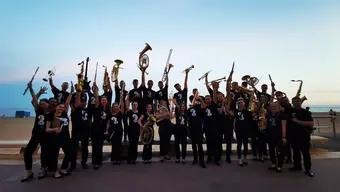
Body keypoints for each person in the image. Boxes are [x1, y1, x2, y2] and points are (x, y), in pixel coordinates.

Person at [21, 84, 50, 182]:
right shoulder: (38, 111)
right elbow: (34, 100)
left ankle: (43, 169)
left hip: (46, 136)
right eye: (41, 103)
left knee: (44, 154)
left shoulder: (51, 113)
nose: (41, 105)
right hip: (36, 135)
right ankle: (28, 172)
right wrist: (33, 90)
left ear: (48, 104)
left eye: (43, 103)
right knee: (27, 153)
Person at [45, 84, 73, 178]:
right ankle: (55, 171)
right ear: (56, 107)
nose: (61, 108)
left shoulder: (64, 114)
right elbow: (47, 129)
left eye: (62, 107)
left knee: (68, 153)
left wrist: (71, 92)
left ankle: (63, 168)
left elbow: (68, 102)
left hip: (65, 137)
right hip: (55, 138)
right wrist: (54, 129)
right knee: (54, 155)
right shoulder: (51, 116)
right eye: (59, 106)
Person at [289, 97, 314, 177]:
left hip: (304, 136)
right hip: (293, 136)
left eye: (298, 101)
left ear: (300, 102)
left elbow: (311, 123)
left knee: (306, 153)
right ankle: (297, 166)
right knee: (295, 152)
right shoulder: (290, 112)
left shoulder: (306, 112)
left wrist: (298, 121)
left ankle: (308, 169)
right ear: (292, 103)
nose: (296, 103)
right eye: (294, 101)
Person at [227, 97, 252, 167]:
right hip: (238, 130)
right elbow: (228, 111)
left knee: (246, 145)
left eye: (241, 102)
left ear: (244, 103)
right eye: (239, 102)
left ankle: (245, 157)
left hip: (246, 130)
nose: (240, 103)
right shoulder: (236, 111)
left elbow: (251, 120)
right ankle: (239, 159)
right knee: (239, 145)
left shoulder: (248, 111)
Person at [69, 89, 90, 171]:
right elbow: (77, 102)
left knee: (85, 148)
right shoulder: (76, 109)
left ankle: (84, 162)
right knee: (74, 148)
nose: (84, 103)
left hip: (85, 131)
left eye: (85, 101)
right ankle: (73, 164)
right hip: (76, 131)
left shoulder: (87, 110)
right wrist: (78, 93)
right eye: (82, 101)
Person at [91, 82, 110, 169]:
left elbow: (107, 121)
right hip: (95, 127)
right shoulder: (98, 106)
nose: (103, 101)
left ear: (106, 102)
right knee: (95, 145)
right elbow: (96, 97)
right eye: (102, 100)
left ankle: (98, 160)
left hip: (102, 128)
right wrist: (96, 90)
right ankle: (95, 162)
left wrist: (106, 130)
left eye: (105, 100)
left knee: (100, 145)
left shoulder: (107, 110)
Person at [201, 83, 220, 165]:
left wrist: (215, 88)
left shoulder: (214, 106)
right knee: (209, 144)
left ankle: (216, 159)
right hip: (207, 128)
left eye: (209, 99)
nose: (208, 100)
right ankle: (209, 158)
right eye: (206, 99)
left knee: (215, 144)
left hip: (215, 128)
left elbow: (215, 97)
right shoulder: (203, 108)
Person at [266, 102, 287, 173]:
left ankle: (279, 166)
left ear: (278, 107)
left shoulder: (282, 115)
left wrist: (284, 137)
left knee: (279, 152)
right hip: (270, 135)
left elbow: (284, 127)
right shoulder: (269, 115)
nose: (273, 108)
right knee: (271, 151)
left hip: (279, 136)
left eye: (275, 106)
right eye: (272, 106)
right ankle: (274, 164)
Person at [188, 95, 206, 168]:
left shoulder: (199, 108)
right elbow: (187, 118)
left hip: (198, 128)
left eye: (195, 100)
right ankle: (195, 159)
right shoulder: (189, 109)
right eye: (193, 100)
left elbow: (204, 107)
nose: (194, 101)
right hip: (192, 129)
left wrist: (200, 99)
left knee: (200, 146)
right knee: (193, 146)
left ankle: (201, 161)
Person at [106, 94, 124, 165]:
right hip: (112, 131)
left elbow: (122, 108)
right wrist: (107, 131)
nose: (115, 107)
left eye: (116, 106)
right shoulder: (110, 114)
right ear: (112, 108)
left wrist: (121, 99)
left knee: (118, 145)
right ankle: (113, 159)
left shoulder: (119, 114)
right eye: (114, 106)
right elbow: (108, 123)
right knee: (113, 145)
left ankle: (118, 159)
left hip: (119, 131)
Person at [125, 95, 143, 164]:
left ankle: (134, 159)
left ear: (137, 105)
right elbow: (127, 106)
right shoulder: (130, 112)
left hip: (137, 130)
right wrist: (127, 97)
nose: (135, 106)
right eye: (133, 105)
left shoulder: (140, 113)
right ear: (132, 105)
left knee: (135, 145)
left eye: (136, 105)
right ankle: (129, 159)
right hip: (130, 130)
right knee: (130, 145)